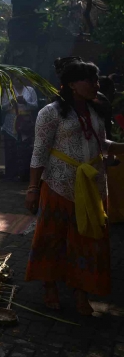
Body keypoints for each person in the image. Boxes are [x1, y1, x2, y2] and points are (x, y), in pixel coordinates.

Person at [24, 56, 124, 315]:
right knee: (52, 238)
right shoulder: (50, 113)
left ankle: (82, 292)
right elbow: (39, 152)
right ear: (70, 84)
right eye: (88, 80)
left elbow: (103, 145)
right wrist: (33, 188)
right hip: (59, 185)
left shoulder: (96, 110)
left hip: (92, 187)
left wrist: (118, 151)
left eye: (95, 79)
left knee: (88, 240)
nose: (95, 84)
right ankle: (50, 287)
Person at [2, 76, 38, 181]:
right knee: (10, 147)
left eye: (20, 78)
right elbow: (3, 107)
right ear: (12, 80)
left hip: (25, 121)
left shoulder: (30, 90)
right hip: (11, 121)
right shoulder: (8, 91)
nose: (18, 80)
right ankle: (10, 174)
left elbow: (35, 105)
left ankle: (25, 174)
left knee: (26, 148)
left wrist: (25, 103)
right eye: (16, 78)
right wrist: (11, 102)